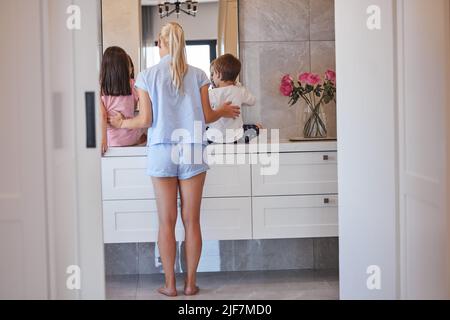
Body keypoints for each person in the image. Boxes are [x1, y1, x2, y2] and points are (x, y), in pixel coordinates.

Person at [109, 22, 240, 297]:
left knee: (165, 222)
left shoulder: (147, 75)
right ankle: (190, 284)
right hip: (192, 148)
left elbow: (145, 120)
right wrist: (223, 110)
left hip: (161, 151)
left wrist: (122, 122)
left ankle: (170, 285)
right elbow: (206, 116)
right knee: (192, 221)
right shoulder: (199, 74)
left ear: (160, 43)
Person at [100, 47, 146, 155]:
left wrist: (103, 140)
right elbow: (144, 106)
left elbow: (102, 115)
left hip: (111, 140)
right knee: (145, 136)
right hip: (130, 138)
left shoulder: (100, 89)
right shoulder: (133, 84)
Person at [207, 54, 256, 144]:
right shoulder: (239, 91)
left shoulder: (211, 94)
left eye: (213, 74)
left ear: (218, 74)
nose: (212, 77)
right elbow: (252, 101)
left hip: (214, 137)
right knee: (254, 130)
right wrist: (239, 86)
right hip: (235, 137)